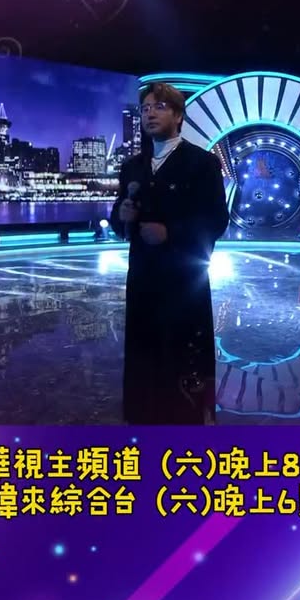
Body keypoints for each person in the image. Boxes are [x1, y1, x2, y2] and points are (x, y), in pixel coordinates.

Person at [110, 83, 229, 424]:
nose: (150, 113)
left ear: (178, 116)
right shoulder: (132, 167)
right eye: (145, 108)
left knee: (183, 351)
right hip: (143, 277)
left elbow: (216, 219)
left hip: (184, 280)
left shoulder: (202, 163)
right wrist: (122, 218)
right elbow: (118, 217)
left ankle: (187, 421)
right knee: (144, 350)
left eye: (160, 107)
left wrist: (171, 233)